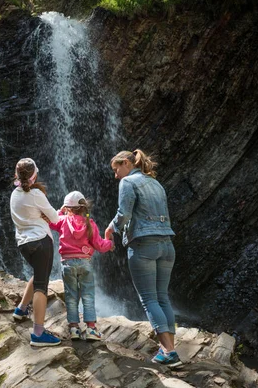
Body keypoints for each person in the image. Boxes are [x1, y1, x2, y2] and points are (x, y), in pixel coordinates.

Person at [104, 149, 182, 367]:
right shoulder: (156, 183)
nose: (116, 175)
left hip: (143, 245)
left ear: (127, 163)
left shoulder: (128, 182)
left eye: (116, 169)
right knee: (162, 297)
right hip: (167, 244)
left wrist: (110, 230)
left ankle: (168, 351)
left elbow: (124, 213)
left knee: (149, 299)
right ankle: (169, 350)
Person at [49, 191, 114, 341]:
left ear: (67, 208)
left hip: (67, 263)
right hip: (85, 263)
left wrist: (60, 211)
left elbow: (50, 222)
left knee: (71, 297)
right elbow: (100, 245)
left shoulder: (62, 220)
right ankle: (91, 329)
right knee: (88, 296)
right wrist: (110, 243)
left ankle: (74, 329)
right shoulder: (90, 224)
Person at [10, 157, 62, 347]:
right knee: (42, 285)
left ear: (17, 175)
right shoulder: (35, 194)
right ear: (34, 175)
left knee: (39, 274)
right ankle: (38, 333)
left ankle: (21, 309)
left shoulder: (14, 194)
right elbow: (55, 218)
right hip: (40, 242)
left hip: (24, 244)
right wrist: (50, 214)